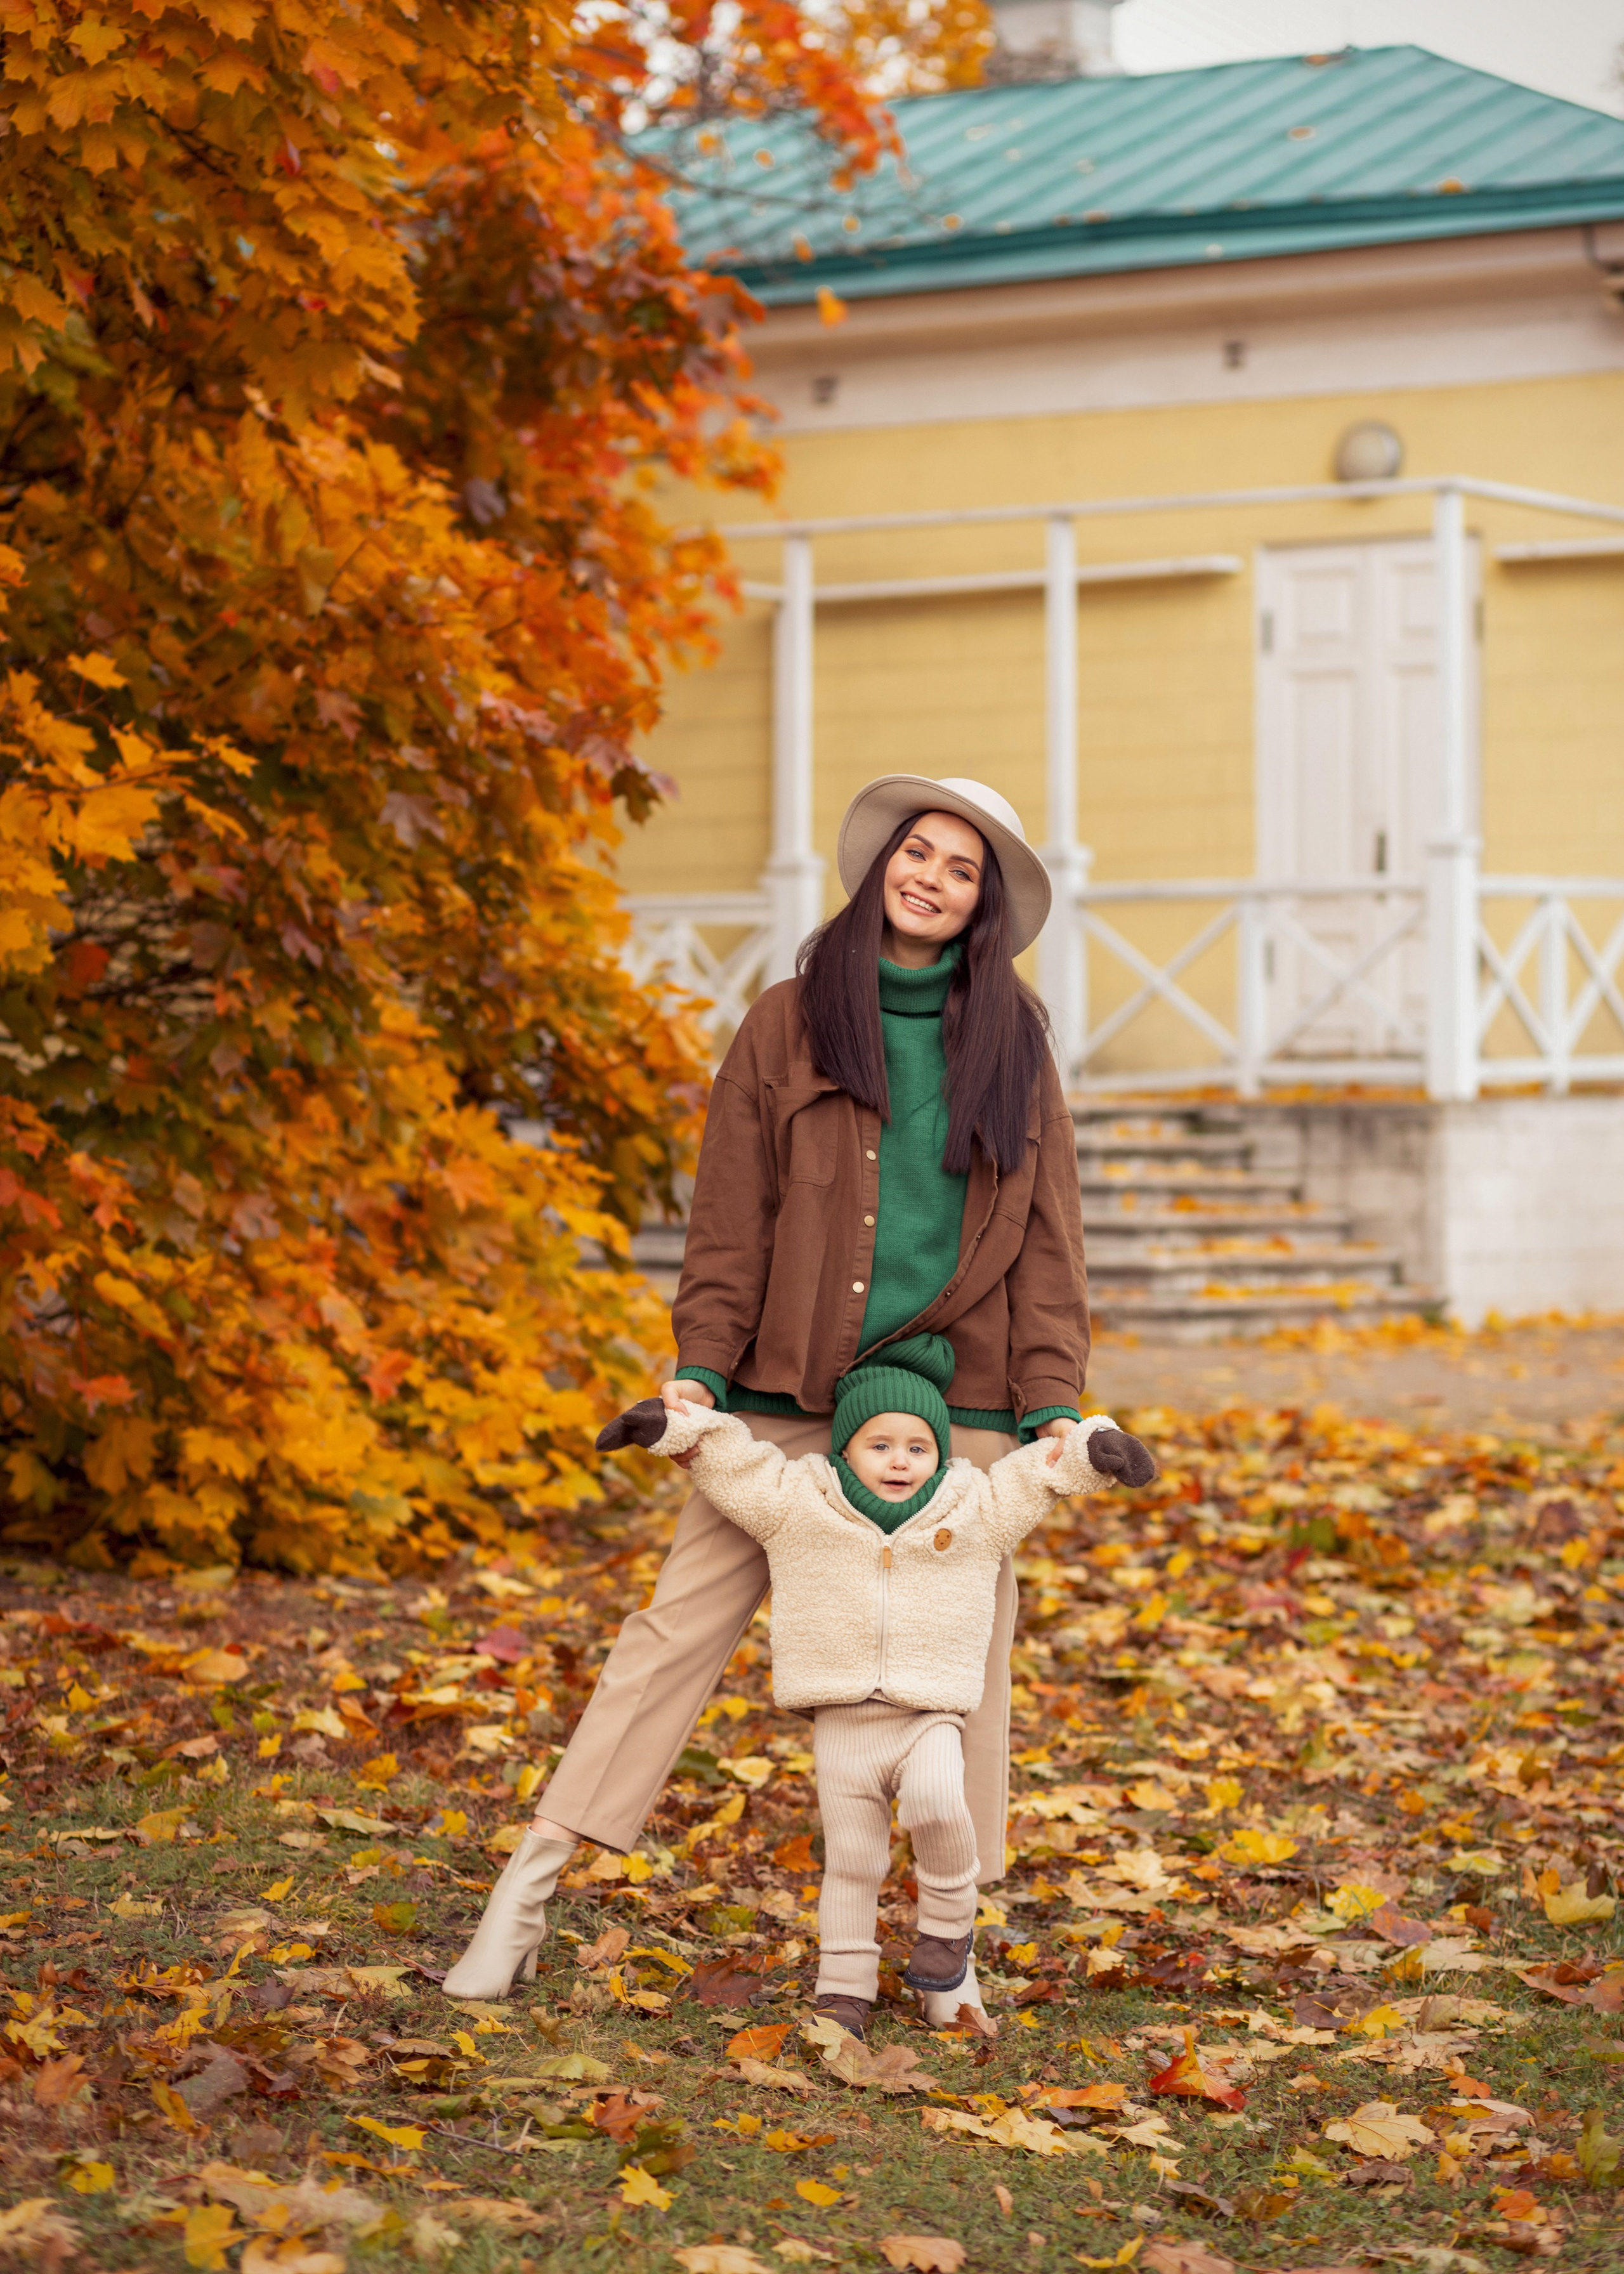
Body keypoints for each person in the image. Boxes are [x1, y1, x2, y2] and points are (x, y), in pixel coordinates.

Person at [445, 774, 1094, 2010]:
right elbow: (728, 1221)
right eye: (918, 853)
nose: (933, 879)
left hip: (955, 1396)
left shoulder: (1017, 1041)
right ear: (879, 865)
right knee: (670, 1632)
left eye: (962, 869)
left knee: (963, 1669)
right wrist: (696, 1371)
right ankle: (523, 1897)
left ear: (984, 903)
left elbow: (1050, 1244)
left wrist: (1054, 1401)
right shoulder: (788, 1022)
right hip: (786, 1388)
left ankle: (946, 1949)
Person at [591, 1338, 1155, 2041]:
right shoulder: (798, 1503)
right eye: (879, 1444)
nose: (899, 1460)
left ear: (939, 1455)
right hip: (843, 1719)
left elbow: (1033, 1475)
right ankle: (843, 1991)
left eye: (917, 1448)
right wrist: (672, 1428)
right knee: (853, 1862)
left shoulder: (972, 1507)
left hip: (930, 1712)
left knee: (940, 1802)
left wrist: (1093, 1450)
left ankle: (947, 1937)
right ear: (845, 1452)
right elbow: (732, 1463)